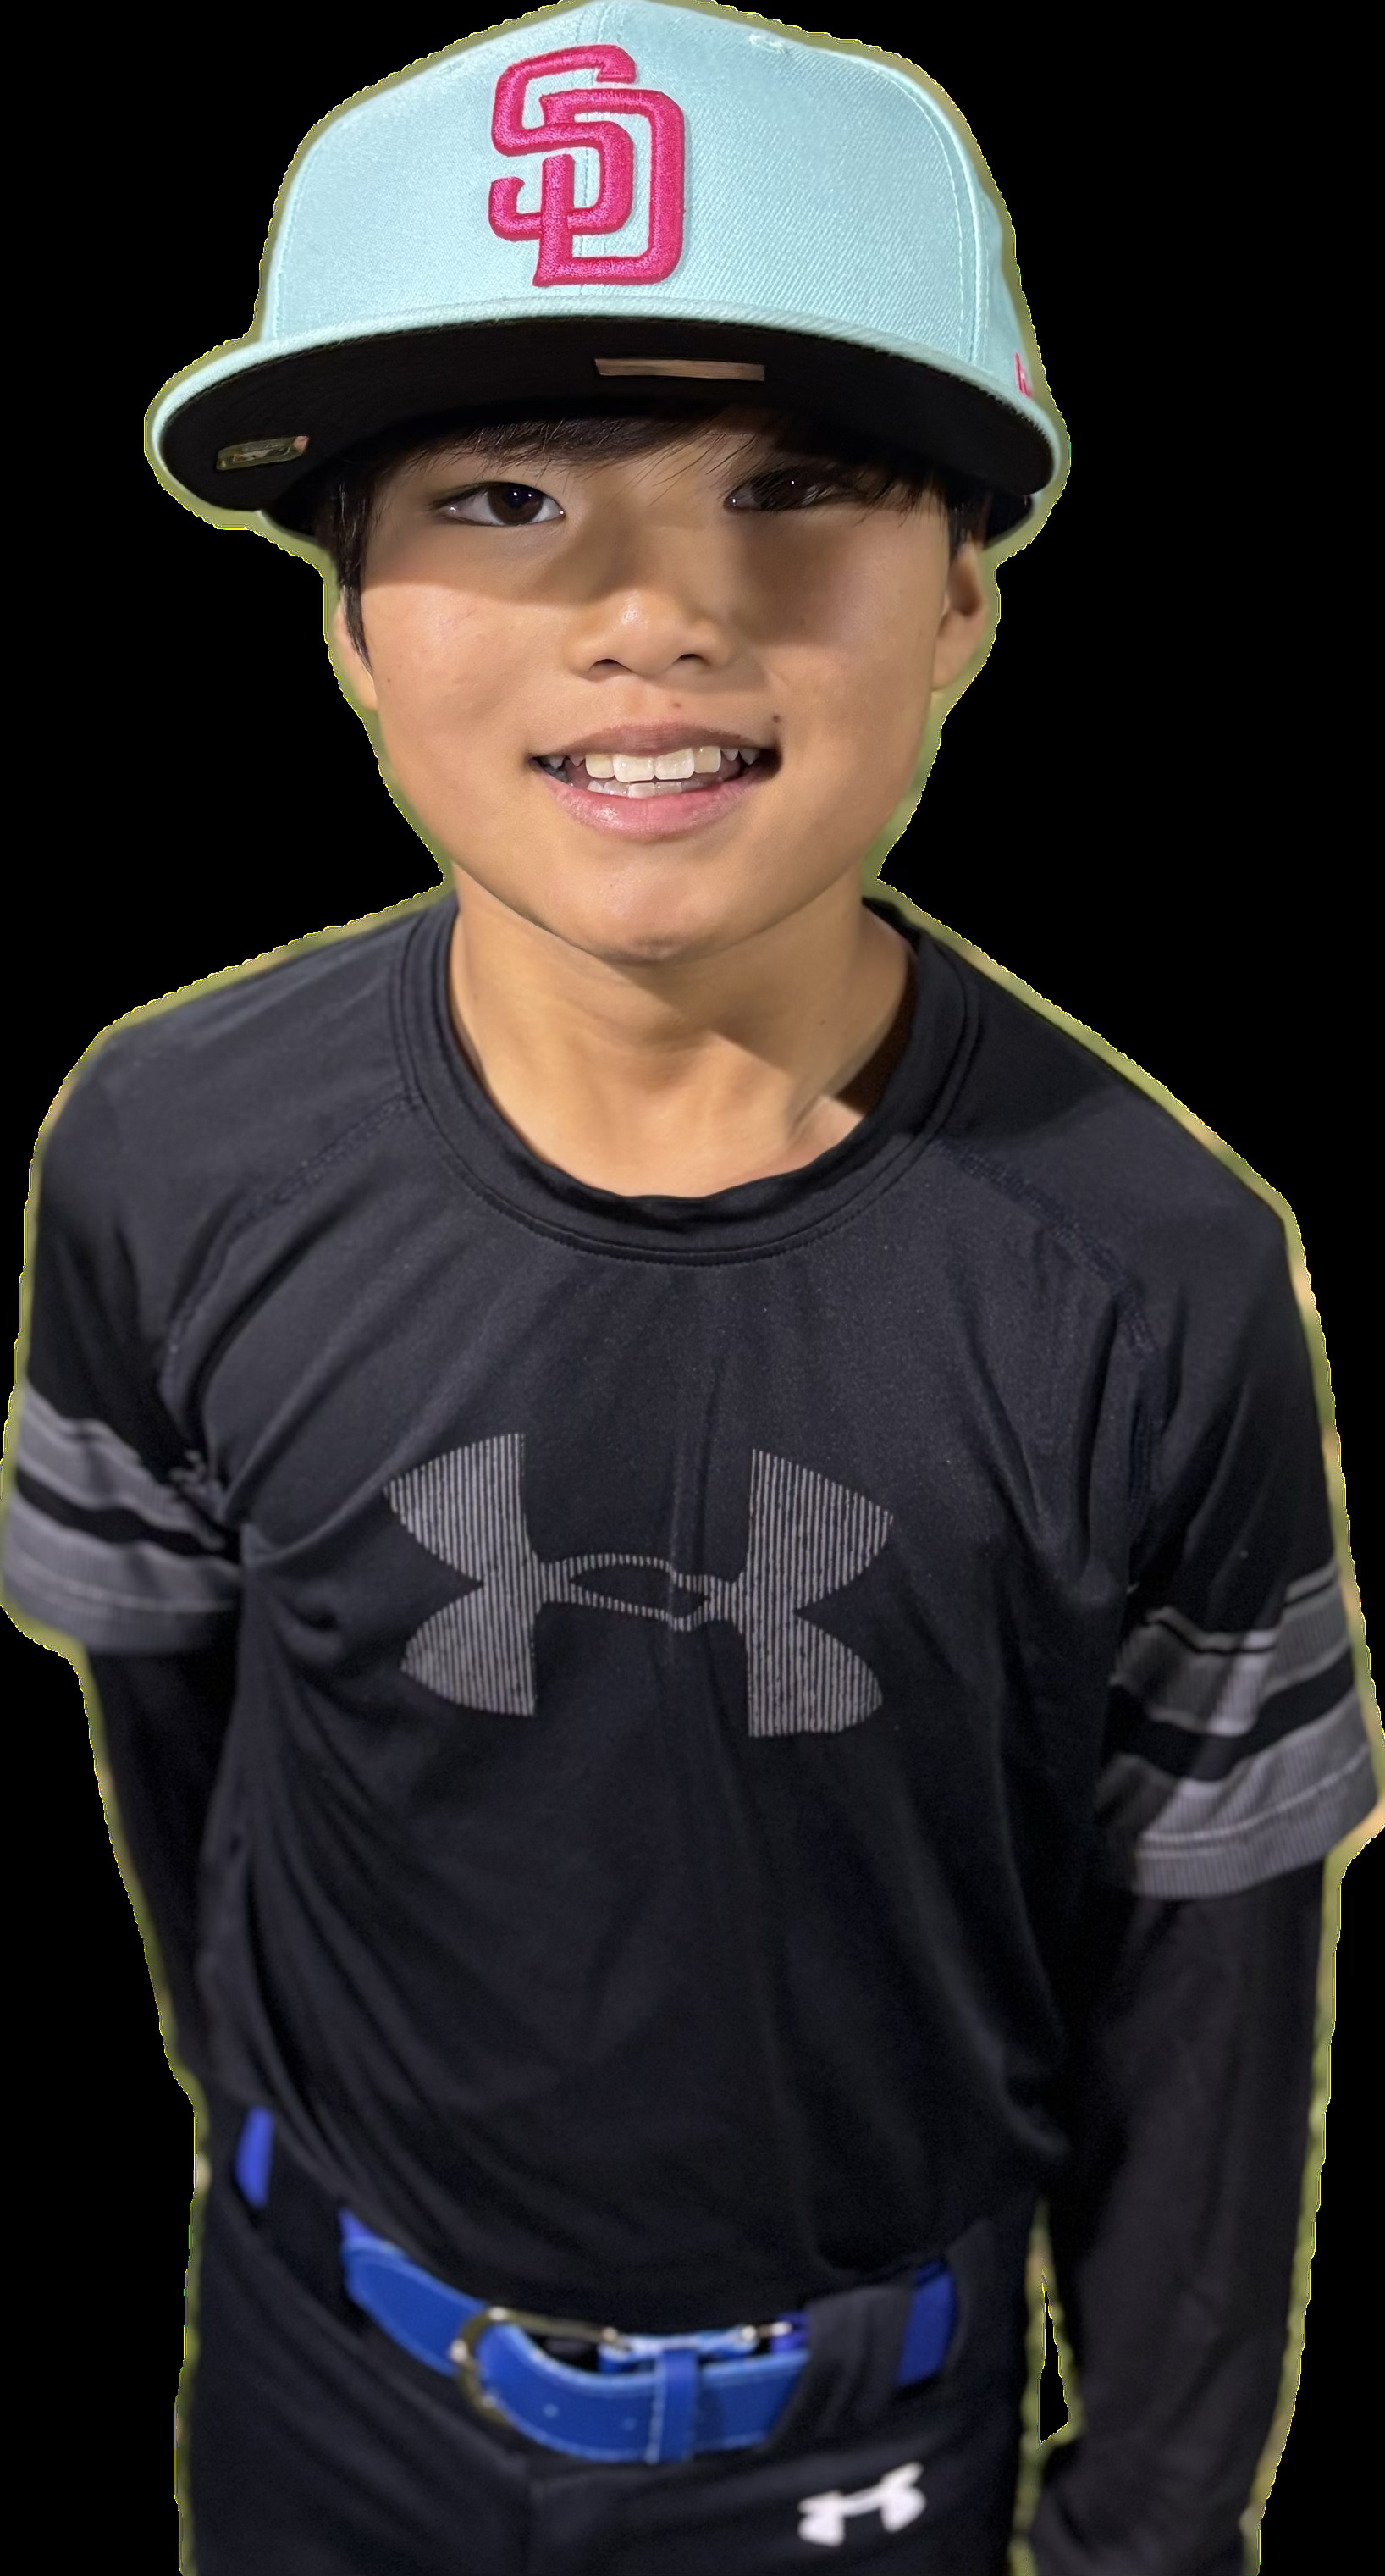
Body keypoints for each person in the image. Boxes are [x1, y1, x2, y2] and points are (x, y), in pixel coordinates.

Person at [2, 5, 1377, 2571]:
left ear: (963, 593)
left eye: (798, 486)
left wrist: (1148, 2531)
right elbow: (182, 1747)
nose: (651, 610)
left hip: (860, 2450)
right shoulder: (164, 1149)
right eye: (504, 496)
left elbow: (1210, 1985)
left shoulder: (1157, 1272)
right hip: (318, 2381)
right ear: (345, 617)